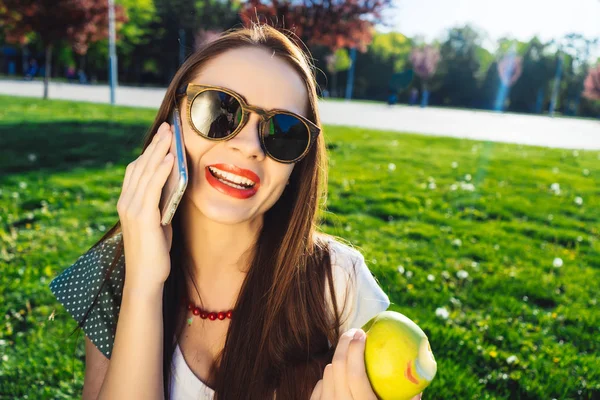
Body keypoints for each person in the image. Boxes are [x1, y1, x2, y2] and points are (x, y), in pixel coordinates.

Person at [49, 23, 423, 400]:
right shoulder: (111, 269)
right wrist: (143, 284)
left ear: (298, 164)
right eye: (220, 109)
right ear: (172, 122)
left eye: (283, 131)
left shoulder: (339, 281)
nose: (248, 146)